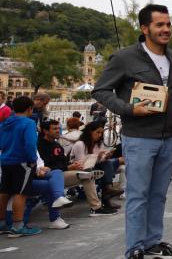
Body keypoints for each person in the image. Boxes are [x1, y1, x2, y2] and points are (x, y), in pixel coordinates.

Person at [92, 4, 172, 259]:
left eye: (168, 24)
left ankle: (153, 242)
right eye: (159, 25)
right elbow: (100, 90)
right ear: (145, 29)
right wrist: (129, 109)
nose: (165, 29)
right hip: (139, 137)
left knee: (158, 194)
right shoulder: (124, 58)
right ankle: (134, 250)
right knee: (137, 196)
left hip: (169, 138)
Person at [39, 119, 115, 216]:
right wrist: (68, 167)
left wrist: (73, 165)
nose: (58, 131)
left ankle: (99, 205)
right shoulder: (41, 146)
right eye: (54, 129)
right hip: (52, 176)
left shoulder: (56, 144)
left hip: (62, 172)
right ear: (45, 131)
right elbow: (47, 166)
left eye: (58, 128)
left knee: (90, 173)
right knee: (87, 175)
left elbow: (63, 162)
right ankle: (97, 207)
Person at [0, 96, 42, 237]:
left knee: (4, 192)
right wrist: (32, 160)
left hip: (6, 160)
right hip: (22, 162)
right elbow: (30, 144)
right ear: (29, 108)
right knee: (21, 193)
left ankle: (2, 223)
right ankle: (18, 225)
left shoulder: (6, 122)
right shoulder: (28, 123)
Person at [70, 121, 124, 210]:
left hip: (94, 166)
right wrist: (97, 157)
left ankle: (108, 190)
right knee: (110, 163)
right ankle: (107, 193)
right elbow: (82, 164)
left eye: (101, 133)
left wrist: (105, 156)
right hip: (81, 168)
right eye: (97, 132)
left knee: (107, 163)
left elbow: (98, 162)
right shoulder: (80, 144)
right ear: (90, 132)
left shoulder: (97, 144)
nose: (100, 135)